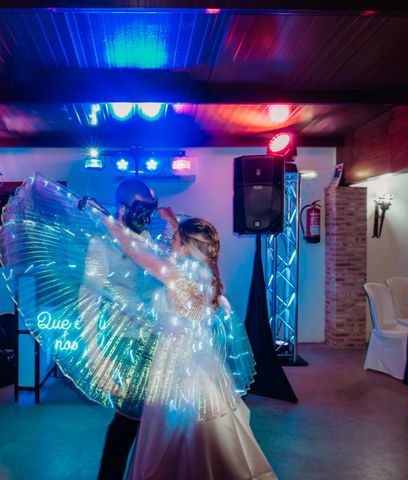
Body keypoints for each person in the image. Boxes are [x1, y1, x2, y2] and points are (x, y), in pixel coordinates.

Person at [104, 216, 276, 479]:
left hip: (174, 364)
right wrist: (175, 223)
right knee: (201, 434)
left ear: (187, 246)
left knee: (174, 433)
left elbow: (133, 251)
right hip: (201, 363)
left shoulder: (177, 274)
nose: (171, 241)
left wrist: (107, 222)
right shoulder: (206, 274)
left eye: (176, 238)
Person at [85, 179, 176, 480]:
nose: (146, 217)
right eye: (141, 209)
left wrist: (172, 229)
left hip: (154, 336)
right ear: (123, 208)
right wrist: (96, 354)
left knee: (153, 417)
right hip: (121, 339)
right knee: (127, 419)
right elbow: (89, 295)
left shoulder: (148, 237)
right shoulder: (101, 243)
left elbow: (166, 273)